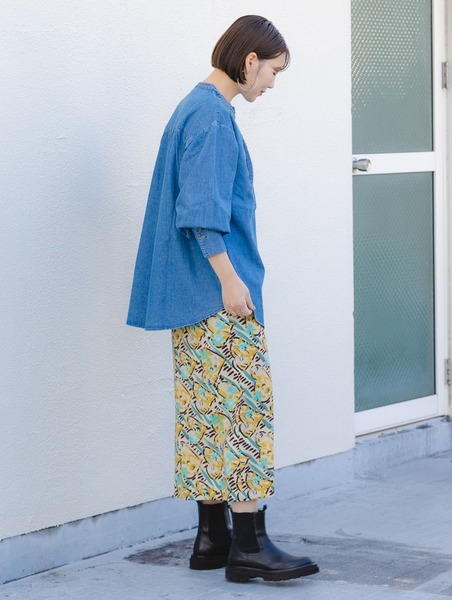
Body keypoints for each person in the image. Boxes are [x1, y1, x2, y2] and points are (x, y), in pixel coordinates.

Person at [127, 15, 319, 583]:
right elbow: (201, 212)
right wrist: (231, 282)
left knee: (206, 414)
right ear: (250, 60)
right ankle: (250, 545)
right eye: (274, 71)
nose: (273, 84)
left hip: (191, 297)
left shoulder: (193, 108)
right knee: (242, 413)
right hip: (217, 295)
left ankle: (212, 539)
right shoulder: (211, 116)